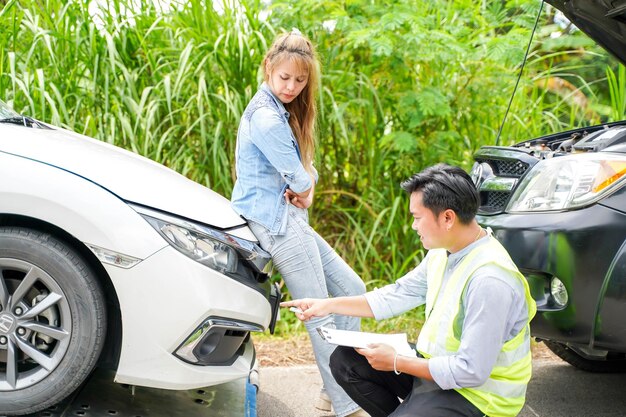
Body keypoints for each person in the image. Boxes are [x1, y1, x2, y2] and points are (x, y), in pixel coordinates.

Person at [282, 163, 537, 417]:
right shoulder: (443, 252)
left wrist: (396, 361)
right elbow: (397, 294)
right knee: (346, 361)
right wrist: (325, 305)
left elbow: (471, 371)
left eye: (417, 217)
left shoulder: (490, 280)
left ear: (448, 217)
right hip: (436, 369)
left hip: (480, 397)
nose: (414, 226)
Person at [230, 30, 368, 417]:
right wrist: (305, 186)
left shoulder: (280, 111)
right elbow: (302, 178)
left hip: (288, 219)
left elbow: (306, 177)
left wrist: (305, 185)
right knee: (320, 313)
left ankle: (332, 391)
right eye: (285, 78)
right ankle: (347, 405)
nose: (292, 86)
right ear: (269, 69)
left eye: (301, 80)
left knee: (352, 290)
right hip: (276, 224)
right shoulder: (267, 119)